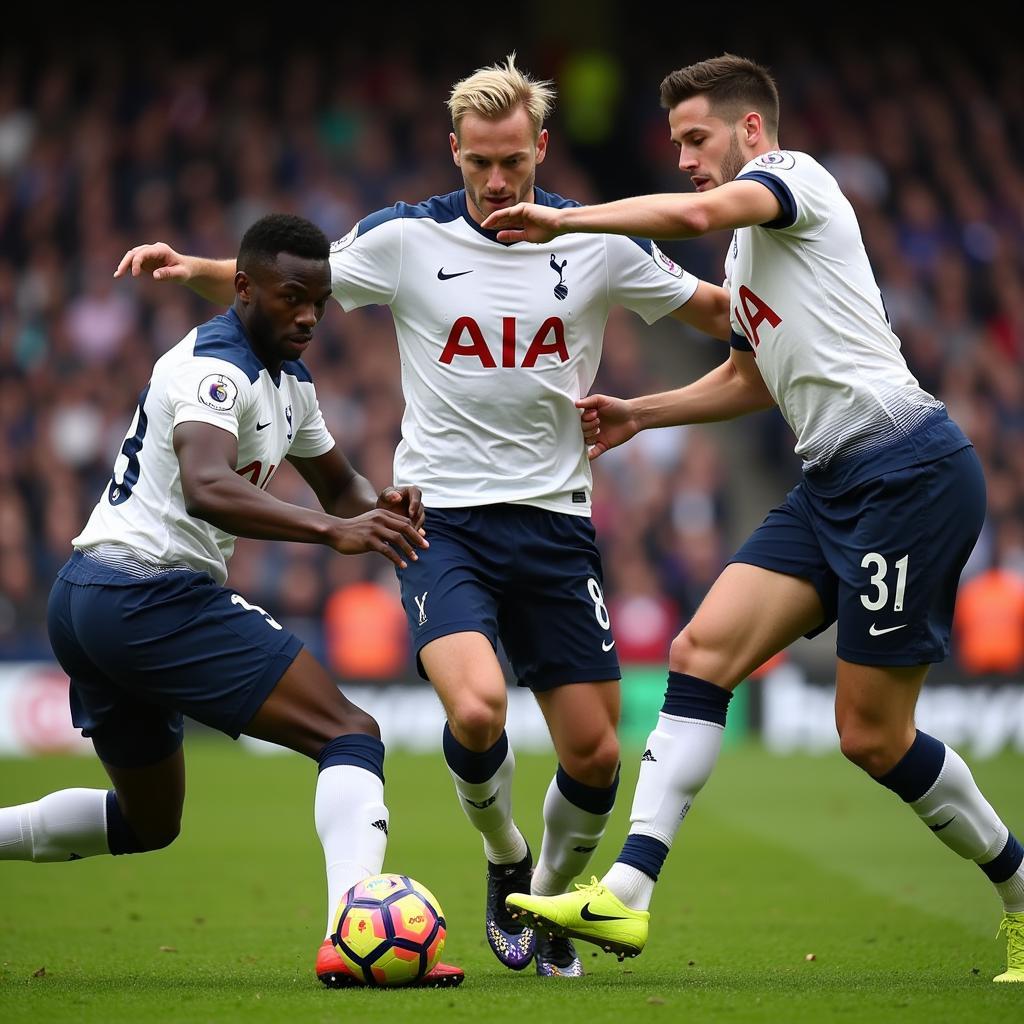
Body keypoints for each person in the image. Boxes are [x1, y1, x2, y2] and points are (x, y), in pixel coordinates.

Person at [113, 55, 729, 978]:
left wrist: (787, 298)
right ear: (454, 152)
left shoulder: (596, 241)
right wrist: (191, 266)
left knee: (597, 753)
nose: (494, 181)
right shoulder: (407, 239)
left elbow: (717, 312)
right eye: (478, 162)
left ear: (540, 151)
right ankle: (501, 854)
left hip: (558, 524)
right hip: (444, 522)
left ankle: (551, 893)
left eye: (512, 162)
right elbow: (294, 284)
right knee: (477, 710)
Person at [483, 53, 1024, 984]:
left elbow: (693, 212)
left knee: (872, 736)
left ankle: (1020, 892)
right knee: (701, 654)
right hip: (829, 486)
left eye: (696, 139)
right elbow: (745, 375)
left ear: (751, 131)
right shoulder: (744, 255)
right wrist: (642, 412)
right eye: (677, 144)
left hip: (909, 474)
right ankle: (629, 893)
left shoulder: (795, 181)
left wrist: (566, 221)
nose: (687, 158)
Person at [0, 213, 463, 989]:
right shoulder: (218, 369)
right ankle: (349, 941)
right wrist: (332, 534)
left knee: (149, 822)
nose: (309, 316)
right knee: (350, 732)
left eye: (319, 301)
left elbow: (338, 483)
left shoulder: (290, 380)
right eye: (291, 298)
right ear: (243, 287)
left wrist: (378, 505)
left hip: (92, 597)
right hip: (145, 591)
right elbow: (208, 486)